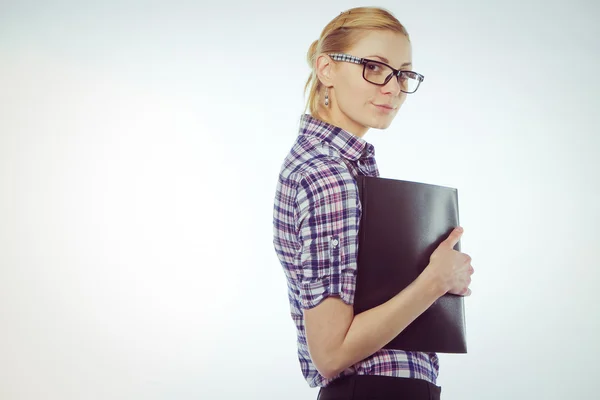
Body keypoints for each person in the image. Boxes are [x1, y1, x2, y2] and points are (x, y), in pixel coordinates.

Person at [272, 6, 474, 400]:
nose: (393, 87)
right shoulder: (328, 174)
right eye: (374, 67)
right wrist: (435, 282)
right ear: (327, 68)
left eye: (403, 73)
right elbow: (330, 353)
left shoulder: (342, 168)